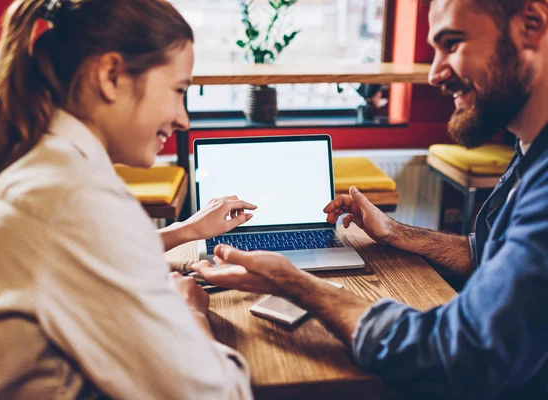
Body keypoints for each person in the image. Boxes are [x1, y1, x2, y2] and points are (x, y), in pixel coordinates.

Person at [193, 0, 548, 398]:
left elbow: (459, 354)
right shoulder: (529, 150)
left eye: (453, 43)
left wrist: (294, 282)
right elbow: (489, 255)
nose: (434, 73)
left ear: (531, 25)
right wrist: (395, 231)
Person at [0, 0, 257, 398]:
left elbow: (78, 255)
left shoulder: (33, 164)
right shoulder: (74, 199)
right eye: (178, 91)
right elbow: (217, 395)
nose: (184, 120)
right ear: (111, 76)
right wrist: (192, 312)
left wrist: (187, 229)